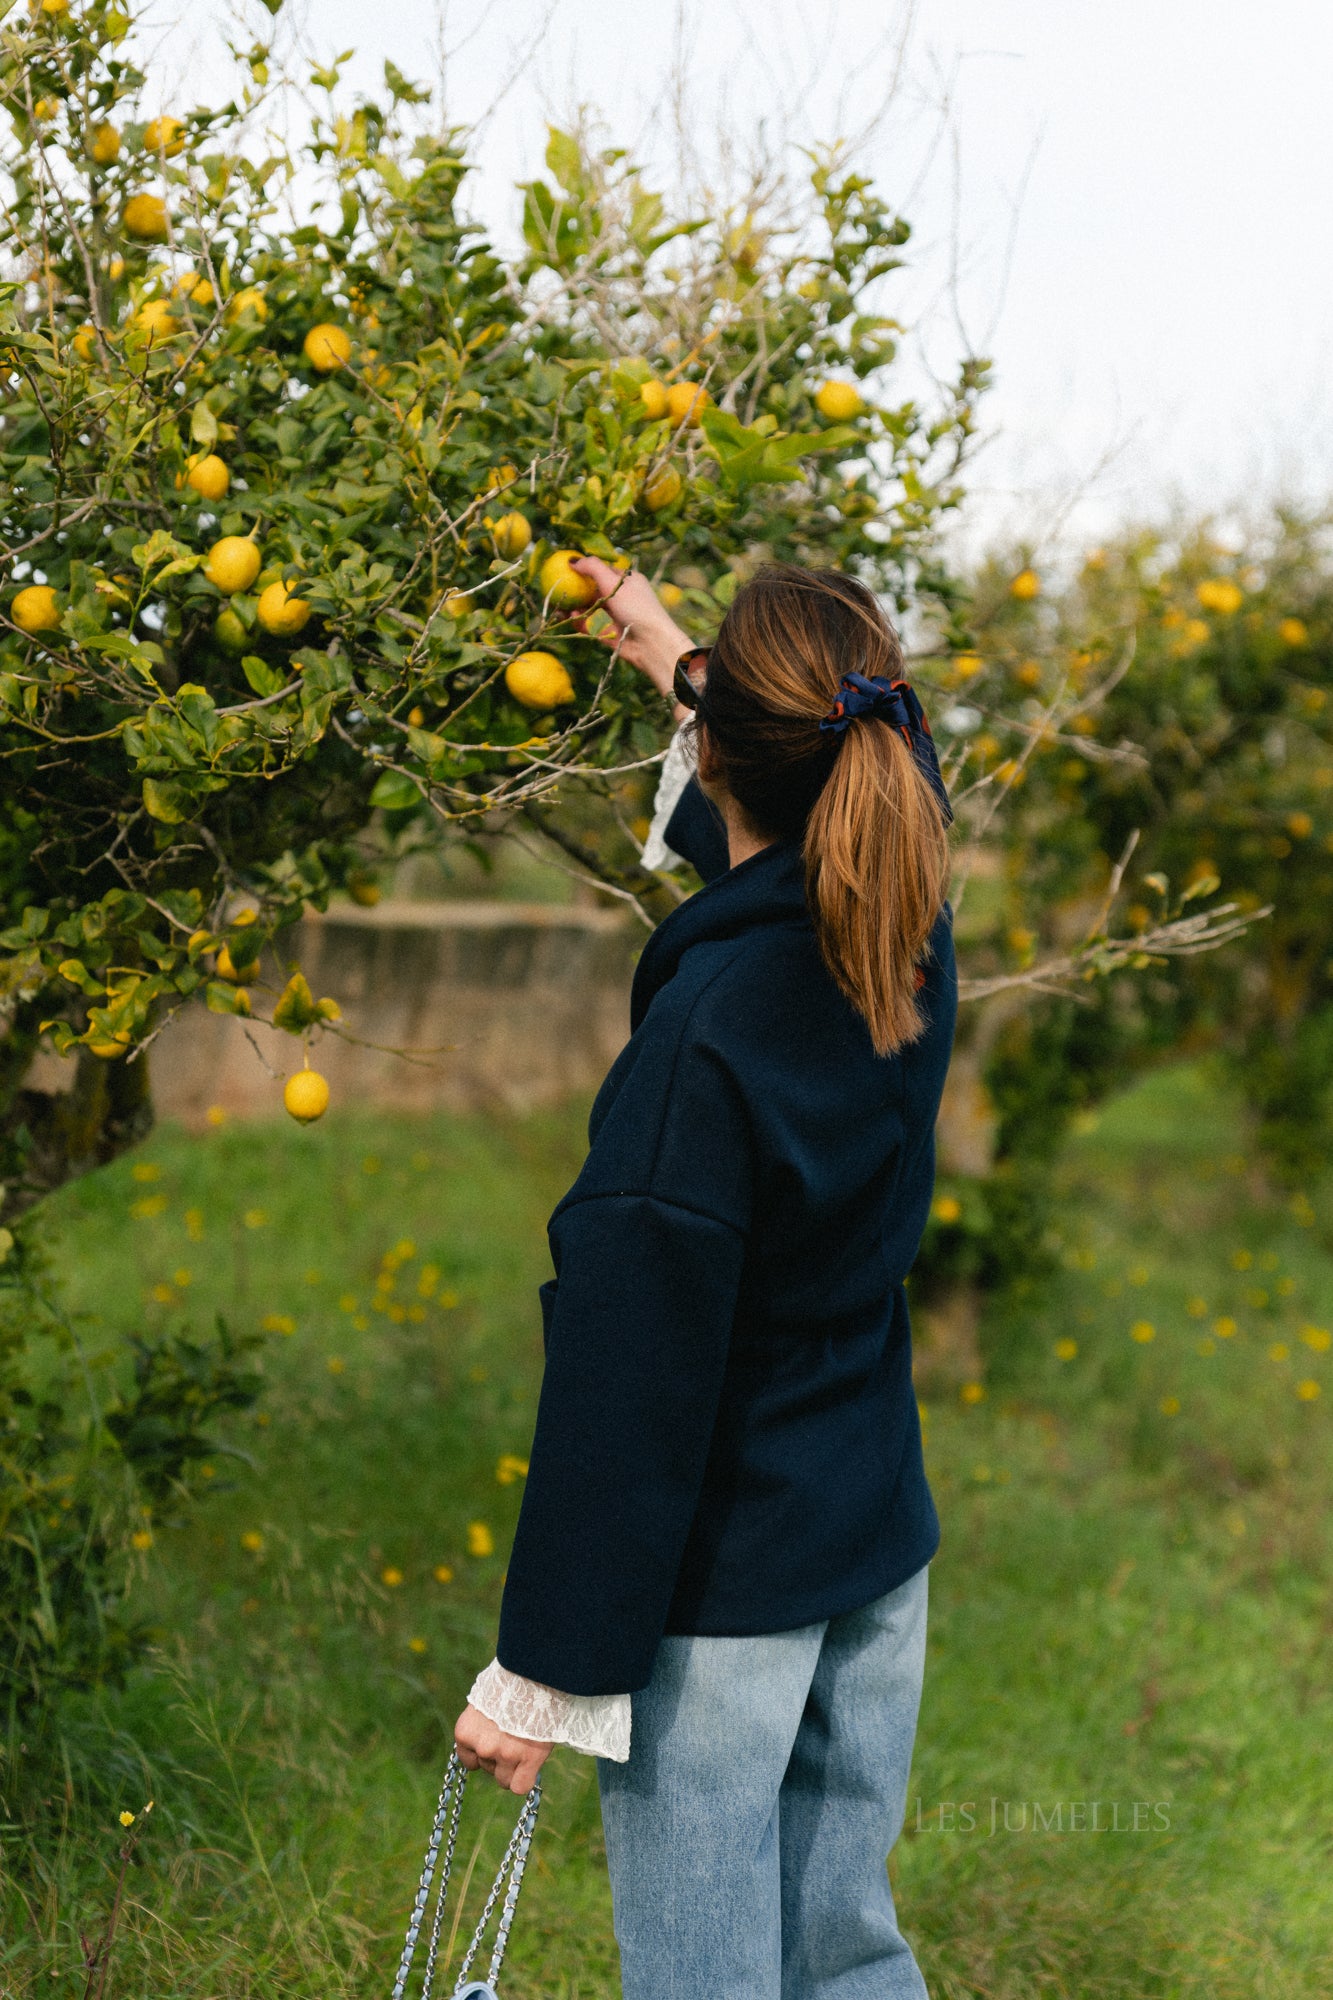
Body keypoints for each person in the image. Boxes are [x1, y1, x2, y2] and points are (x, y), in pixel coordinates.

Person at [453, 557, 956, 2000]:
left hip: (730, 1593)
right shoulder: (903, 930)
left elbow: (630, 1381)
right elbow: (874, 764)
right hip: (871, 1539)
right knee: (844, 1950)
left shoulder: (702, 1047)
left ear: (723, 758)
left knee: (709, 1978)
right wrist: (688, 664)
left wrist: (542, 1676)